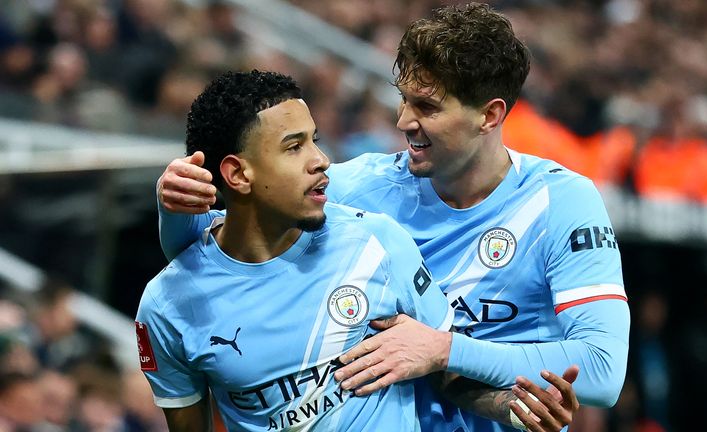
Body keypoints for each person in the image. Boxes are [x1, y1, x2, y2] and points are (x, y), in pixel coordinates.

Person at [157, 3, 628, 431]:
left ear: (489, 116)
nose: (403, 120)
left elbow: (602, 371)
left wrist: (442, 350)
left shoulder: (561, 202)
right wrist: (174, 204)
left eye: (427, 106)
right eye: (404, 98)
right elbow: (214, 252)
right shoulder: (359, 187)